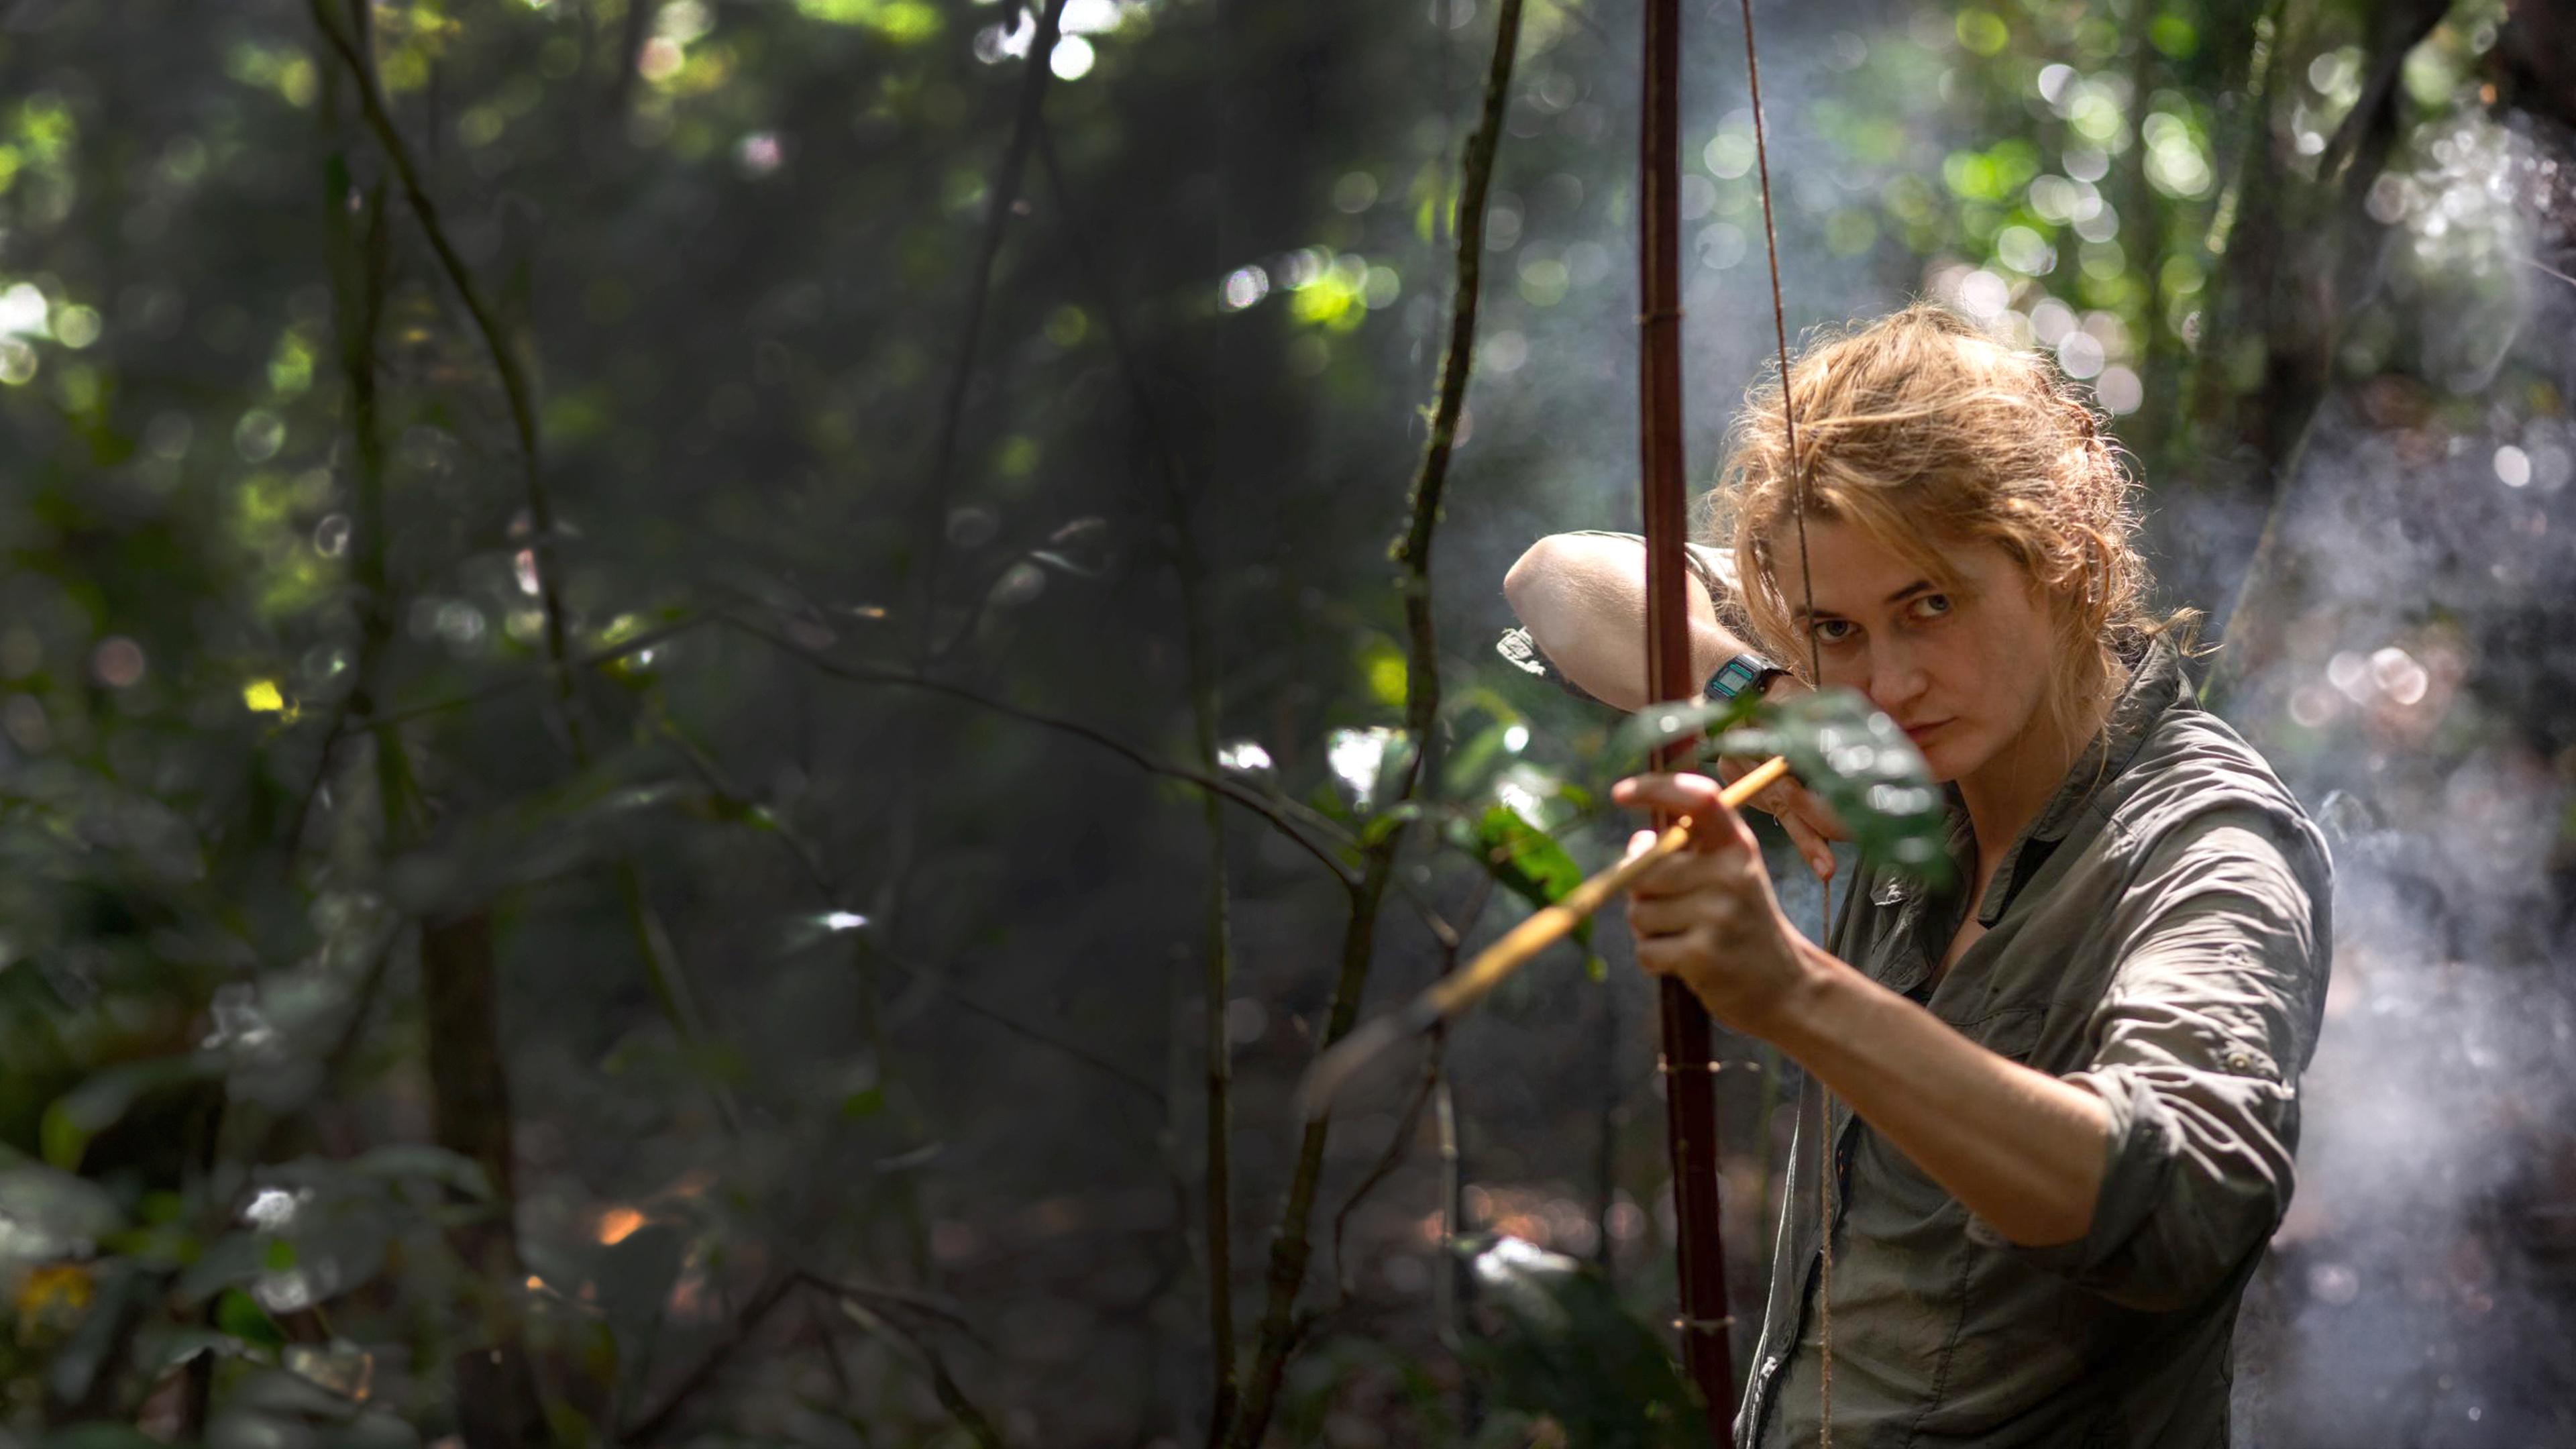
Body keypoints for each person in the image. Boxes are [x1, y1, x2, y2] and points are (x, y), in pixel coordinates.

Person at [1498, 303, 2333, 1447]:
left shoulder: (2210, 842)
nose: (1886, 684)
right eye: (1836, 628)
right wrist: (1775, 702)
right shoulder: (1894, 720)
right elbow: (1556, 580)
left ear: (2065, 556)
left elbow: (2186, 1204)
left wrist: (1793, 995)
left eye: (1929, 607)